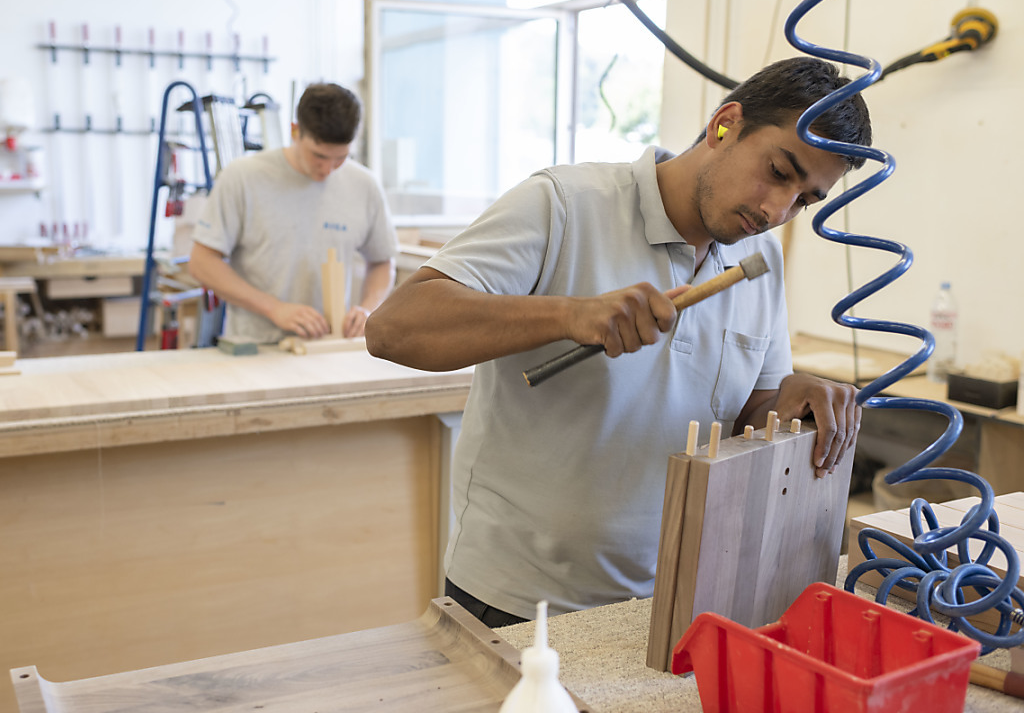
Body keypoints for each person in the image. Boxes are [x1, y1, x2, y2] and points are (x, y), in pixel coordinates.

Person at [365, 57, 871, 628]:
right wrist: (568, 314)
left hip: (672, 597)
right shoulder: (563, 205)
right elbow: (394, 330)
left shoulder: (760, 260)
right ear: (725, 124)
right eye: (779, 172)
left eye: (805, 200)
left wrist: (788, 401)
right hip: (517, 599)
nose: (777, 211)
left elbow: (745, 408)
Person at [189, 83, 398, 344]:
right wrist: (274, 308)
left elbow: (382, 262)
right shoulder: (242, 177)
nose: (328, 168)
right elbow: (201, 262)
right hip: (255, 348)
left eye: (340, 158)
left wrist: (369, 308)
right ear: (294, 131)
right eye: (319, 156)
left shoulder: (364, 185)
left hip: (329, 349)